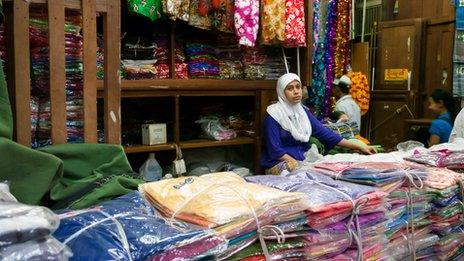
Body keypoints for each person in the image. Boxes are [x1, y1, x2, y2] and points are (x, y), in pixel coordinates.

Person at [261, 73, 375, 175]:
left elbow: (326, 134)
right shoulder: (274, 115)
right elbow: (275, 151)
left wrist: (360, 146)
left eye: (298, 87)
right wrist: (299, 166)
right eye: (290, 88)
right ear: (282, 92)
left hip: (302, 160)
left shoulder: (303, 112)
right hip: (280, 163)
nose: (296, 91)